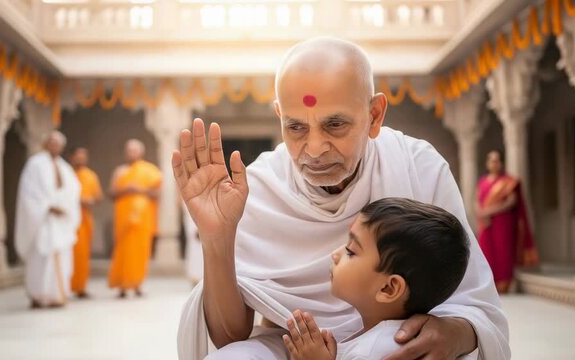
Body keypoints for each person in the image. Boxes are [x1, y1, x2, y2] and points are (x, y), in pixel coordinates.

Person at [176, 37, 509, 360]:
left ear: (375, 115)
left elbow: (473, 302)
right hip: (291, 346)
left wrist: (455, 333)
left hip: (393, 341)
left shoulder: (418, 168)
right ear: (280, 116)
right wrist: (217, 237)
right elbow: (228, 337)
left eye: (335, 124)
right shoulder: (259, 188)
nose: (315, 148)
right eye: (296, 127)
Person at [282, 198, 470, 360]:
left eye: (351, 251)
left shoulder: (376, 352)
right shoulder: (379, 339)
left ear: (388, 288)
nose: (335, 254)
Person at [15, 131, 81, 309]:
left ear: (62, 147)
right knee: (41, 258)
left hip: (59, 222)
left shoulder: (65, 168)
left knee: (62, 257)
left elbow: (73, 192)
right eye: (51, 142)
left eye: (58, 143)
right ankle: (38, 295)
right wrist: (48, 206)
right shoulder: (35, 164)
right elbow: (29, 192)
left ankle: (57, 295)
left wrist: (64, 208)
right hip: (42, 219)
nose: (54, 145)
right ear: (46, 143)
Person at [475, 150, 539, 294]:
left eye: (497, 160)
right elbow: (477, 201)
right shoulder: (483, 182)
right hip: (486, 223)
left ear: (501, 163)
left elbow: (511, 202)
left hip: (502, 222)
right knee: (485, 252)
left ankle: (504, 286)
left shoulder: (509, 181)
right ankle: (489, 285)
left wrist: (488, 212)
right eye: (491, 160)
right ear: (487, 163)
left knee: (503, 251)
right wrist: (480, 212)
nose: (494, 163)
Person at [108, 139, 162, 298]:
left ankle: (137, 283)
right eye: (128, 150)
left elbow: (156, 194)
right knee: (123, 250)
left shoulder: (150, 170)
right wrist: (126, 189)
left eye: (134, 150)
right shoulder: (120, 171)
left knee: (141, 250)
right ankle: (122, 286)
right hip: (123, 218)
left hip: (143, 218)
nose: (131, 153)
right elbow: (111, 193)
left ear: (141, 152)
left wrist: (139, 189)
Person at [69, 147, 103, 298]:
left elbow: (98, 197)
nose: (81, 159)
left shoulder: (90, 175)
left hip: (85, 219)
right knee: (68, 253)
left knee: (82, 254)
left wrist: (90, 201)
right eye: (78, 156)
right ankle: (66, 286)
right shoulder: (66, 174)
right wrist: (77, 200)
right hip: (68, 219)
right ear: (72, 157)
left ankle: (80, 287)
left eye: (84, 156)